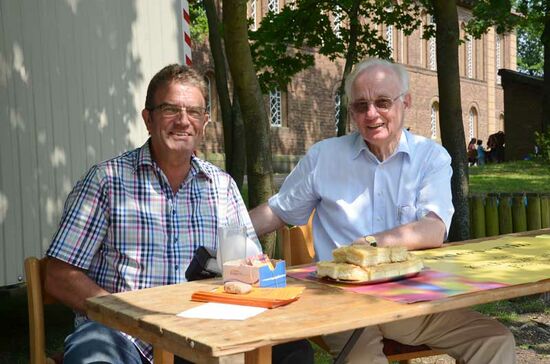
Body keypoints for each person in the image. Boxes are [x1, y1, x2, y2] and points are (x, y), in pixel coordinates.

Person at [250, 58, 516, 364]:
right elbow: (278, 211)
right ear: (351, 111)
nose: (371, 114)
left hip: (412, 300)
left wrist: (371, 244)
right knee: (363, 359)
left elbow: (434, 228)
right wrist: (225, 233)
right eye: (361, 105)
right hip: (343, 302)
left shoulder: (429, 157)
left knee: (494, 340)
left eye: (382, 102)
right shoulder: (326, 156)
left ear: (406, 102)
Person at [45, 64, 313, 364]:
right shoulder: (106, 181)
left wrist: (254, 269)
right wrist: (124, 312)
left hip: (202, 333)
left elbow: (246, 267)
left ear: (205, 123)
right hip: (122, 334)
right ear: (148, 119)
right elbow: (58, 275)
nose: (183, 121)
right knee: (93, 353)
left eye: (194, 112)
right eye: (171, 109)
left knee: (293, 351)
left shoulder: (221, 187)